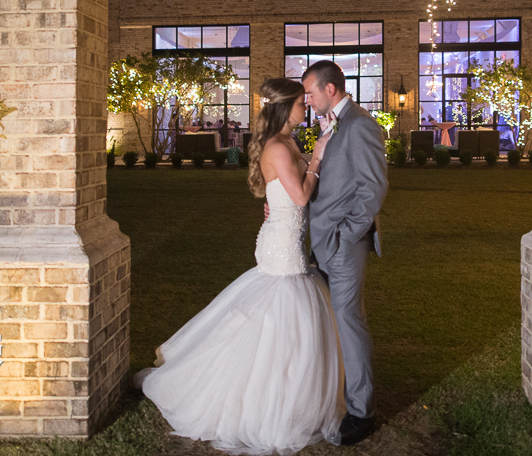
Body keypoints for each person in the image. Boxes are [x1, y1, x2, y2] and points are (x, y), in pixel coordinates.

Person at [135, 78, 344, 455]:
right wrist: (318, 156)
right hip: (282, 243)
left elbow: (288, 192)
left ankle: (285, 390)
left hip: (284, 234)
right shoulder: (280, 146)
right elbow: (298, 195)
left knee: (283, 315)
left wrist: (310, 161)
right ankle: (260, 398)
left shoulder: (287, 142)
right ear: (286, 108)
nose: (306, 107)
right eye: (301, 102)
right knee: (284, 309)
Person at [301, 60, 388, 446]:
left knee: (349, 320)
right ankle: (342, 392)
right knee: (337, 321)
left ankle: (361, 412)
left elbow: (373, 190)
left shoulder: (361, 125)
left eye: (310, 92)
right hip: (324, 241)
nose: (307, 100)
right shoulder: (333, 123)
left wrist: (344, 236)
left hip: (342, 245)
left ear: (330, 90)